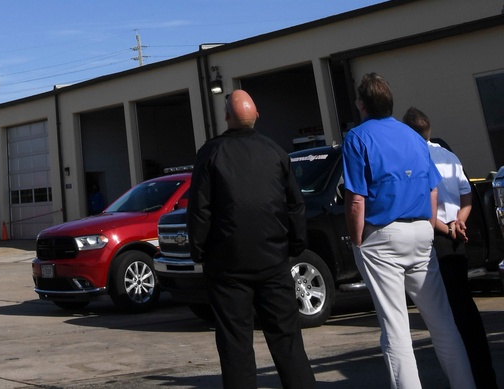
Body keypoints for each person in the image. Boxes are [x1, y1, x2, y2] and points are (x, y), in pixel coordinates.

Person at [342, 72, 476, 389]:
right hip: (421, 232)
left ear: (361, 104)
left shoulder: (358, 137)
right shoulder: (414, 137)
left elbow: (356, 201)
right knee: (442, 322)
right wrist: (428, 227)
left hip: (383, 234)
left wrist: (358, 242)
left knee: (396, 327)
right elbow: (432, 191)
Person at [187, 89, 316, 389]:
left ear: (226, 116)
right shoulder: (275, 152)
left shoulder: (211, 153)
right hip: (272, 260)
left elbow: (200, 209)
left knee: (236, 343)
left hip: (227, 264)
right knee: (287, 340)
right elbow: (295, 204)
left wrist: (198, 250)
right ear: (257, 115)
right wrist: (296, 244)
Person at [401, 107, 499, 389]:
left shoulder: (417, 158)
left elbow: (426, 209)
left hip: (438, 238)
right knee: (465, 305)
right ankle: (484, 373)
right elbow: (467, 196)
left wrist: (447, 228)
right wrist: (459, 223)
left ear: (409, 133)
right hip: (459, 236)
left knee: (448, 313)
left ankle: (466, 377)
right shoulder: (450, 156)